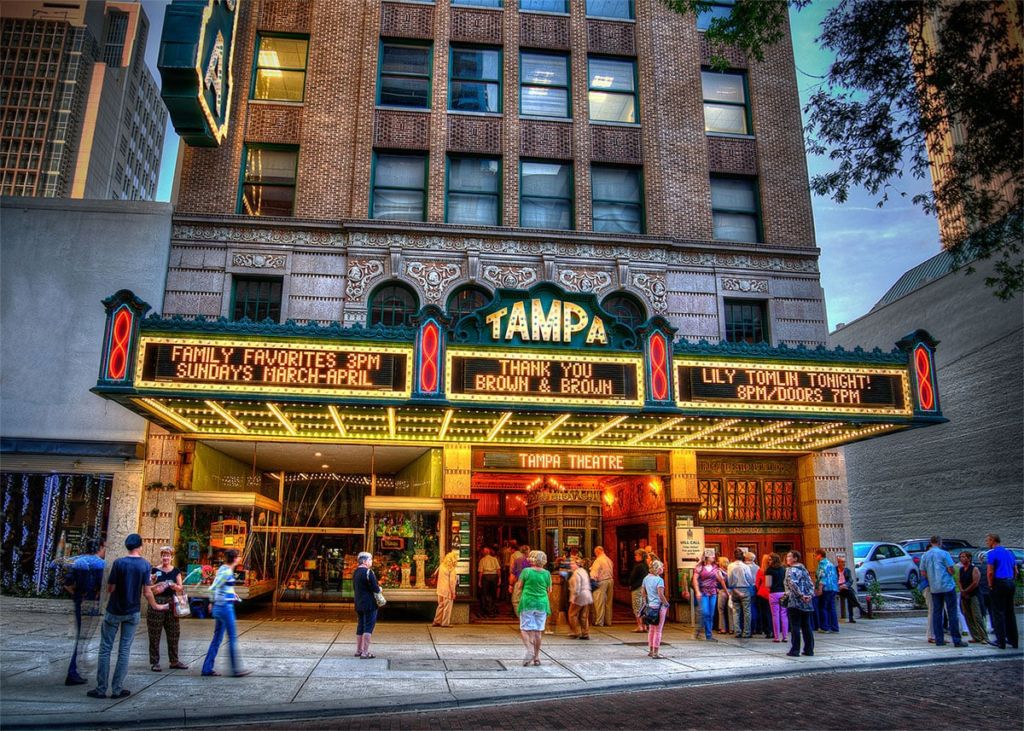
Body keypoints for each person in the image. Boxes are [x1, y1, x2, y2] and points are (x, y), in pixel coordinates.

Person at [87, 533, 167, 699]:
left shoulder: (118, 563)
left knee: (105, 649)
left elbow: (110, 588)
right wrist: (156, 605)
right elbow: (147, 592)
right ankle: (117, 689)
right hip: (133, 612)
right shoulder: (145, 565)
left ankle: (101, 688)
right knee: (124, 651)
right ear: (140, 546)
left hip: (114, 610)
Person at [201, 549, 253, 675]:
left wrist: (232, 594)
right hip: (224, 607)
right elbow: (214, 587)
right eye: (239, 556)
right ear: (234, 558)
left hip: (221, 606)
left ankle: (207, 668)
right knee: (233, 638)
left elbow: (223, 587)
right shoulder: (226, 571)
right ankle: (236, 669)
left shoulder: (223, 569)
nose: (240, 558)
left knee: (217, 638)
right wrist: (212, 602)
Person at [63, 537, 105, 686]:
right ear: (99, 547)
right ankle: (73, 671)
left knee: (78, 636)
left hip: (78, 602)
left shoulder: (78, 562)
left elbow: (67, 584)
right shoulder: (100, 565)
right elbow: (104, 586)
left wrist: (77, 594)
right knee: (84, 638)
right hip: (91, 603)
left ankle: (73, 669)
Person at [919, 535, 965, 648]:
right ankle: (956, 640)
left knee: (937, 613)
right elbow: (951, 569)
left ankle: (939, 639)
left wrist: (932, 578)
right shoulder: (944, 554)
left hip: (934, 587)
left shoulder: (925, 555)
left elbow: (923, 572)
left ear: (931, 542)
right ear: (940, 542)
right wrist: (949, 573)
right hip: (947, 586)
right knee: (952, 613)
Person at [148, 545, 188, 672]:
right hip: (157, 603)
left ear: (172, 557)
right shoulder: (154, 570)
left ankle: (174, 660)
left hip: (171, 603)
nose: (165, 557)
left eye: (168, 555)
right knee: (154, 633)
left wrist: (174, 586)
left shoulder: (175, 571)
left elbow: (181, 588)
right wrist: (157, 585)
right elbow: (148, 588)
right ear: (161, 557)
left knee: (174, 633)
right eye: (163, 555)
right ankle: (155, 662)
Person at [515, 550, 552, 666]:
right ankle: (536, 658)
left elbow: (519, 586)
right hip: (542, 603)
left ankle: (530, 650)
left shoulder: (526, 571)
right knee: (538, 631)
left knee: (525, 629)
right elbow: (549, 590)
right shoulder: (547, 573)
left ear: (532, 559)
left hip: (528, 602)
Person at [985, 533, 1019, 650]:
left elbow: (990, 571)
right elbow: (1016, 571)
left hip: (999, 582)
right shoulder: (1009, 553)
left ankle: (1001, 641)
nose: (987, 543)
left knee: (998, 612)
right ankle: (1014, 640)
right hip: (1010, 582)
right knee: (1010, 612)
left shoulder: (992, 554)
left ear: (993, 541)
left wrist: (990, 585)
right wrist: (1012, 580)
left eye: (988, 541)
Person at [783, 550, 815, 657]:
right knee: (806, 626)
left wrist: (801, 595)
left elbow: (792, 584)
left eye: (789, 556)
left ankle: (795, 650)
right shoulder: (804, 570)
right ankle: (809, 649)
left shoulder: (791, 570)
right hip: (807, 602)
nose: (787, 558)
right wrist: (809, 595)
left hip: (795, 601)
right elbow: (811, 584)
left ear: (795, 558)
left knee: (795, 626)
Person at [351, 551, 381, 658]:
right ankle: (365, 652)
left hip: (358, 603)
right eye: (370, 560)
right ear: (364, 561)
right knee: (368, 627)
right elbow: (376, 589)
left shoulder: (355, 572)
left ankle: (359, 650)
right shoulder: (369, 572)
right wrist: (379, 588)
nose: (371, 561)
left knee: (360, 626)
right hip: (369, 604)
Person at [692, 554, 726, 641]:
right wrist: (697, 591)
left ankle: (708, 635)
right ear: (706, 558)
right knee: (705, 612)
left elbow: (721, 580)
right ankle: (703, 631)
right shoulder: (699, 567)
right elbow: (695, 579)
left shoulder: (715, 567)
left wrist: (726, 590)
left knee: (711, 614)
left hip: (713, 592)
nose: (713, 557)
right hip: (703, 592)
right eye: (711, 556)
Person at [958, 551, 987, 643]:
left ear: (969, 558)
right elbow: (959, 581)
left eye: (964, 557)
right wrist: (962, 590)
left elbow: (975, 582)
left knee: (977, 616)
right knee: (968, 616)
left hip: (974, 595)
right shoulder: (961, 570)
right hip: (964, 596)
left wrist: (967, 591)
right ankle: (976, 636)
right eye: (961, 557)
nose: (962, 559)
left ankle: (984, 637)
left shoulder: (974, 569)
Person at [642, 559, 669, 658]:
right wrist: (666, 604)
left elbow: (643, 592)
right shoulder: (659, 580)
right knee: (658, 630)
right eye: (661, 567)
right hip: (659, 607)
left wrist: (646, 602)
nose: (663, 568)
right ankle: (656, 652)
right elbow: (660, 594)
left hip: (650, 606)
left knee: (651, 629)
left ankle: (650, 650)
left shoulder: (646, 578)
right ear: (658, 569)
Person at [727, 549, 753, 638]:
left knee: (736, 611)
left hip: (734, 589)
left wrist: (732, 588)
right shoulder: (746, 567)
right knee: (747, 612)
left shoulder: (730, 566)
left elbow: (729, 580)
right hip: (745, 589)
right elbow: (750, 579)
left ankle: (737, 631)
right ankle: (746, 632)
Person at [567, 557, 593, 640]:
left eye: (572, 564)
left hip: (580, 595)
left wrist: (573, 597)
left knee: (572, 614)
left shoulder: (576, 573)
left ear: (577, 564)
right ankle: (585, 633)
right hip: (587, 595)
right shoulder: (584, 571)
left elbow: (576, 587)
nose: (571, 565)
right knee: (584, 616)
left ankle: (575, 632)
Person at [814, 549, 840, 633]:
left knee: (823, 607)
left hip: (826, 588)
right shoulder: (830, 564)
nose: (815, 557)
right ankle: (834, 627)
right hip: (833, 587)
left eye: (816, 555)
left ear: (820, 555)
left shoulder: (822, 564)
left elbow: (822, 577)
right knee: (832, 607)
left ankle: (825, 627)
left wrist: (820, 588)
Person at [765, 552, 788, 643]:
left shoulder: (769, 570)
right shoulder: (784, 569)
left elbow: (768, 584)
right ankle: (785, 636)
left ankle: (777, 636)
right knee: (784, 614)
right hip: (783, 593)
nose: (768, 561)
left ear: (774, 560)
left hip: (774, 593)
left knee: (775, 615)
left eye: (770, 559)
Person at [432, 550, 459, 627]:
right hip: (447, 591)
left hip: (440, 590)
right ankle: (445, 623)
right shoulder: (452, 570)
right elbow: (452, 583)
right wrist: (453, 593)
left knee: (440, 605)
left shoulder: (441, 566)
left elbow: (434, 574)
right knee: (447, 607)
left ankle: (436, 621)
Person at [590, 546, 614, 627]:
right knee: (608, 603)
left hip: (601, 582)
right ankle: (608, 621)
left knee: (599, 602)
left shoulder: (598, 561)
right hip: (610, 581)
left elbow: (594, 574)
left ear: (597, 552)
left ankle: (599, 621)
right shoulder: (608, 559)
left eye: (595, 552)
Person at [837, 556, 864, 622]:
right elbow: (832, 580)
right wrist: (839, 586)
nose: (844, 564)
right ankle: (859, 608)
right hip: (837, 588)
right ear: (838, 563)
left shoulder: (847, 570)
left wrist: (845, 585)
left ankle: (852, 616)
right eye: (842, 562)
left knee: (849, 595)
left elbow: (850, 580)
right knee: (850, 594)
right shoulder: (834, 570)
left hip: (845, 587)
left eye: (844, 562)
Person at [628, 549, 649, 633]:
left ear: (641, 556)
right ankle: (644, 626)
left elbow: (632, 577)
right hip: (644, 588)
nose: (635, 557)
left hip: (637, 588)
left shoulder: (638, 566)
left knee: (637, 607)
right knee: (643, 607)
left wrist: (630, 583)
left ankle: (639, 625)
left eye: (637, 555)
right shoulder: (646, 566)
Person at [477, 547, 500, 618]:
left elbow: (481, 572)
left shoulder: (482, 560)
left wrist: (480, 581)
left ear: (484, 553)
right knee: (493, 594)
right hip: (494, 576)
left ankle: (486, 610)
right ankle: (492, 610)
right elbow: (498, 570)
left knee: (485, 594)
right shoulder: (495, 559)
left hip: (485, 577)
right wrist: (499, 579)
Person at [754, 554, 772, 638]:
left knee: (764, 613)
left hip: (763, 593)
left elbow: (757, 583)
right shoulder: (773, 570)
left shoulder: (761, 571)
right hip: (772, 593)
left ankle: (767, 630)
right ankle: (774, 629)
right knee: (773, 613)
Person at [716, 556, 731, 634]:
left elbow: (721, 581)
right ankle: (732, 629)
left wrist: (726, 592)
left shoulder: (718, 571)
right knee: (730, 610)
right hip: (731, 591)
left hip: (723, 591)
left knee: (721, 610)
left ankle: (723, 628)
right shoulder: (730, 570)